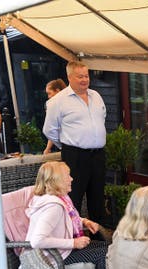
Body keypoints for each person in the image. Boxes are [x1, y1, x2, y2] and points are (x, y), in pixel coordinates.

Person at [25, 161, 109, 269]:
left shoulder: (59, 198)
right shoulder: (53, 207)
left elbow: (66, 220)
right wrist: (74, 243)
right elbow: (37, 241)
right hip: (54, 257)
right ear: (56, 181)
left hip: (61, 251)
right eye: (67, 176)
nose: (72, 179)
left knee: (107, 247)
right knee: (105, 252)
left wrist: (84, 222)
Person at [43, 61, 107, 224]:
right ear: (69, 77)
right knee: (74, 197)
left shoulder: (96, 96)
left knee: (97, 197)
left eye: (86, 76)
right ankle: (74, 238)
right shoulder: (58, 101)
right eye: (80, 76)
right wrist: (66, 145)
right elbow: (49, 129)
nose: (85, 79)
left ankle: (98, 240)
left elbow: (102, 119)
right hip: (75, 155)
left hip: (98, 154)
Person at [43, 79, 67, 154]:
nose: (48, 97)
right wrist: (48, 148)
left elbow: (50, 129)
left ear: (57, 91)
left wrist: (62, 146)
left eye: (49, 93)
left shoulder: (54, 106)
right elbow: (54, 128)